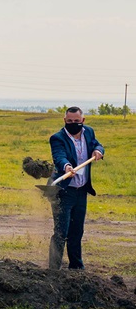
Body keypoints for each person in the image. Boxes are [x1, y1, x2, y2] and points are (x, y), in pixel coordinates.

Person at [48, 106, 104, 270]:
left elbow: (98, 145)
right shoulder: (57, 138)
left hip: (81, 191)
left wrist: (98, 151)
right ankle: (54, 269)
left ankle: (76, 267)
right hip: (64, 191)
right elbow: (59, 156)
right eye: (70, 121)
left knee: (77, 231)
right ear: (65, 121)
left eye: (77, 121)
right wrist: (66, 167)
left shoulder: (88, 132)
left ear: (83, 121)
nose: (73, 124)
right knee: (61, 232)